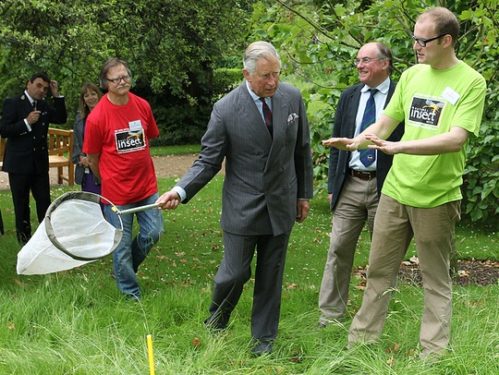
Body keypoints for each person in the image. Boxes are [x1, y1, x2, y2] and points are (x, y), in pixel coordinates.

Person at [323, 7, 486, 360]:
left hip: (436, 197)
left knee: (435, 279)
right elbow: (385, 123)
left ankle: (433, 354)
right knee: (379, 270)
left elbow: (456, 139)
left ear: (446, 40)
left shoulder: (471, 82)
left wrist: (399, 147)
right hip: (396, 191)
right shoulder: (412, 76)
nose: (415, 46)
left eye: (421, 39)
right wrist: (356, 141)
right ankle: (360, 346)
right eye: (414, 38)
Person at [156, 41, 313, 356]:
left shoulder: (292, 98)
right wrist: (180, 190)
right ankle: (217, 318)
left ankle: (263, 342)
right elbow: (208, 160)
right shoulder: (225, 109)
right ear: (247, 73)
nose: (273, 82)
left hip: (282, 203)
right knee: (235, 273)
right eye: (265, 76)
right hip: (243, 207)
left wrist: (303, 194)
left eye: (276, 75)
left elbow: (302, 149)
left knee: (271, 276)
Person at [318, 42, 404, 327]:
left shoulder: (400, 94)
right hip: (351, 184)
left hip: (387, 186)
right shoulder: (350, 95)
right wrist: (333, 185)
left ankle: (373, 317)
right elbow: (336, 142)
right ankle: (330, 316)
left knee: (382, 255)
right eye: (357, 60)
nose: (359, 65)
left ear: (384, 63)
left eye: (365, 60)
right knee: (339, 247)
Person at [83, 58, 164, 300]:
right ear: (105, 84)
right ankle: (131, 295)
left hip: (146, 187)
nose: (122, 81)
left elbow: (149, 138)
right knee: (120, 248)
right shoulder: (97, 118)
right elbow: (93, 158)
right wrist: (106, 179)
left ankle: (124, 269)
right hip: (116, 194)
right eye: (116, 78)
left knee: (154, 232)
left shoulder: (142, 105)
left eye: (125, 76)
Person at [0, 72, 67, 244]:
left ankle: (47, 239)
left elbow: (61, 118)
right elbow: (4, 130)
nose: (41, 90)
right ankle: (25, 242)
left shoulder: (43, 105)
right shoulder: (12, 103)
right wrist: (26, 122)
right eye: (38, 86)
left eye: (45, 88)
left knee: (45, 203)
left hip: (39, 164)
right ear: (28, 84)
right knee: (21, 205)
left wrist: (56, 94)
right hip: (18, 164)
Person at [72, 82, 102, 194]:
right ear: (83, 100)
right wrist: (81, 158)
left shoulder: (107, 115)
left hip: (104, 167)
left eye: (93, 94)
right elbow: (77, 144)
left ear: (99, 95)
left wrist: (93, 160)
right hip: (87, 170)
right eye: (86, 95)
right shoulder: (79, 119)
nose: (90, 98)